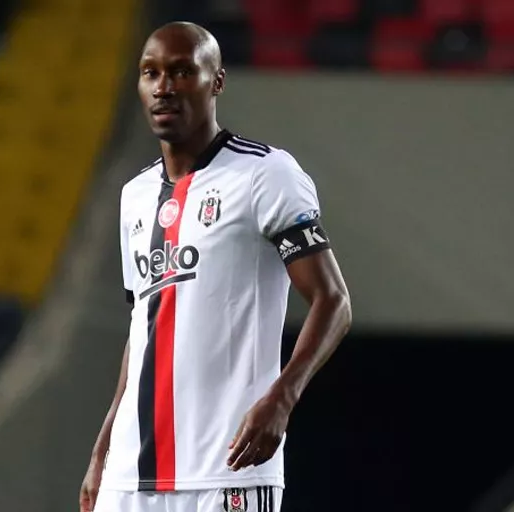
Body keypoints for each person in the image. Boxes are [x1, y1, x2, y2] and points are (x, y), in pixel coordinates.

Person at [80, 21, 352, 512]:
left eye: (182, 71)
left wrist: (282, 398)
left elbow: (333, 302)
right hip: (129, 479)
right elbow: (143, 329)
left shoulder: (264, 174)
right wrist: (104, 448)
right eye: (150, 73)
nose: (164, 87)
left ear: (217, 81)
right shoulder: (134, 196)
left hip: (228, 471)